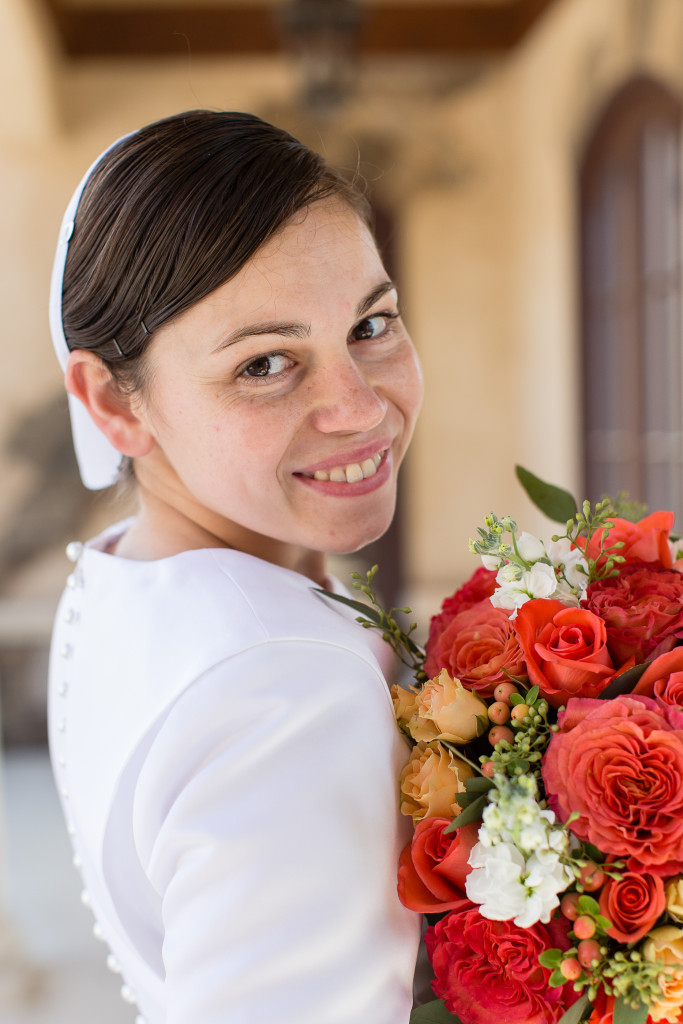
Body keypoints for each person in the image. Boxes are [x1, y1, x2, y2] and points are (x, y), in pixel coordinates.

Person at [47, 110, 423, 1024]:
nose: (358, 406)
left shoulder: (117, 577)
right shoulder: (287, 689)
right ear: (114, 403)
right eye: (264, 363)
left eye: (370, 323)